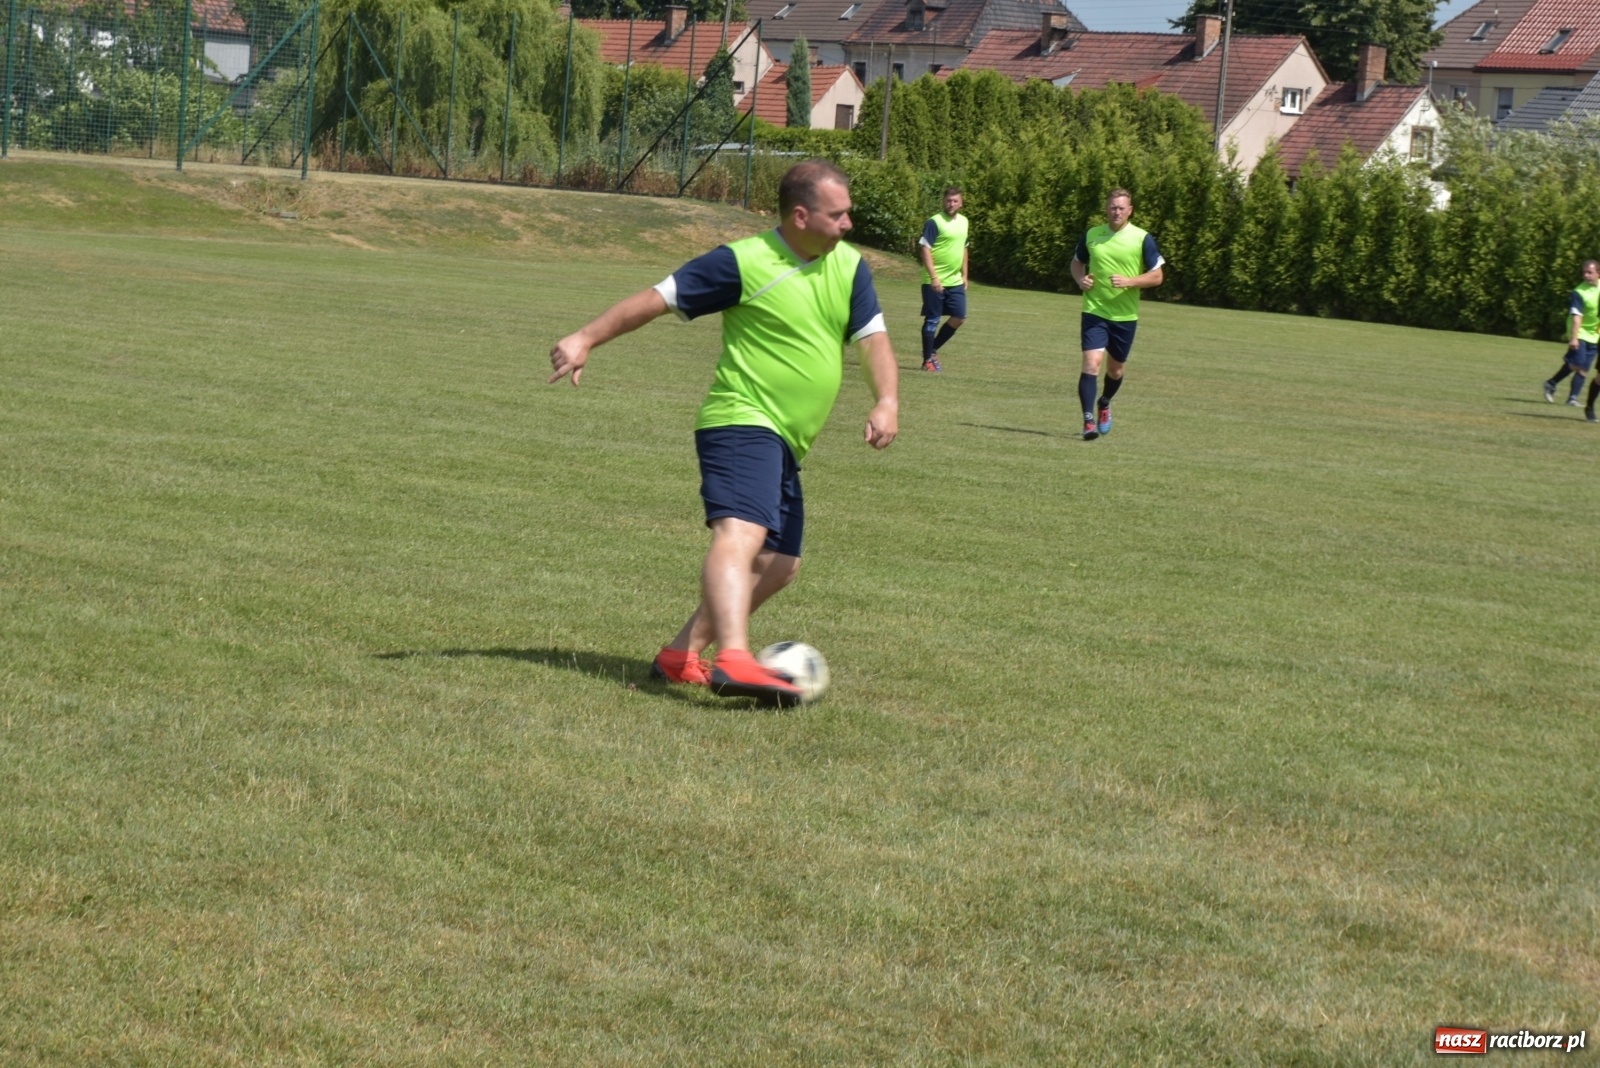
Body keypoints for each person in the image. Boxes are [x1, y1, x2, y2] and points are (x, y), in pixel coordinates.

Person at [548, 159, 900, 707]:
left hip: (787, 439)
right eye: (839, 215)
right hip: (741, 421)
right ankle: (733, 658)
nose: (849, 223)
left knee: (781, 565)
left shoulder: (850, 268)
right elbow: (658, 298)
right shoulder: (744, 261)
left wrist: (886, 399)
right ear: (801, 216)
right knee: (741, 534)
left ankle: (680, 653)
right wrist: (585, 337)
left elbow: (873, 340)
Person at [1069, 189, 1164, 440]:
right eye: (1112, 207)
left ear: (1130, 210)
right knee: (1091, 364)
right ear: (1106, 208)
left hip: (1125, 316)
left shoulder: (1142, 238)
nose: (1116, 211)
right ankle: (1088, 421)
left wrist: (1130, 281)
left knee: (1116, 371)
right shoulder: (1092, 235)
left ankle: (1105, 402)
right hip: (1094, 310)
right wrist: (1081, 280)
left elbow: (1157, 276)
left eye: (1121, 208)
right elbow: (1077, 262)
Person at [917, 187, 969, 373]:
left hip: (955, 281)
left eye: (955, 201)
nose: (951, 204)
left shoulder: (964, 222)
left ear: (961, 202)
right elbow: (925, 248)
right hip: (935, 280)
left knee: (959, 316)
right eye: (948, 200)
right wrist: (934, 277)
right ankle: (927, 361)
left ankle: (932, 349)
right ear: (943, 201)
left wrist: (965, 274)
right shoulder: (934, 222)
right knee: (933, 320)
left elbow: (964, 248)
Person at [1542, 259, 1600, 414]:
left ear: (1598, 274)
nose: (1586, 275)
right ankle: (1551, 383)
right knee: (1578, 363)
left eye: (1590, 272)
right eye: (1584, 272)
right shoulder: (1579, 292)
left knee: (1584, 369)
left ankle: (1572, 398)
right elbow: (1577, 317)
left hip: (1595, 334)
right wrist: (1574, 338)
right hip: (1579, 331)